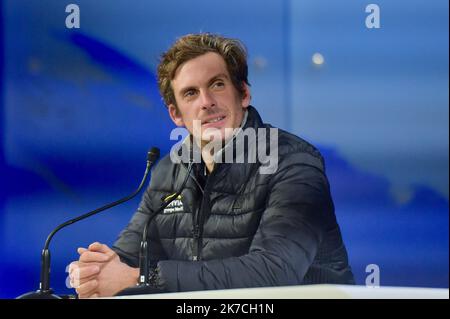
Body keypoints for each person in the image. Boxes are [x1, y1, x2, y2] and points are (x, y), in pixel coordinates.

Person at [68, 33, 354, 298]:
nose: (206, 102)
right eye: (190, 93)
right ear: (176, 114)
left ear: (243, 93)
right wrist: (98, 271)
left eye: (217, 84)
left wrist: (139, 279)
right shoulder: (169, 170)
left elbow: (274, 272)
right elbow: (130, 257)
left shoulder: (293, 161)